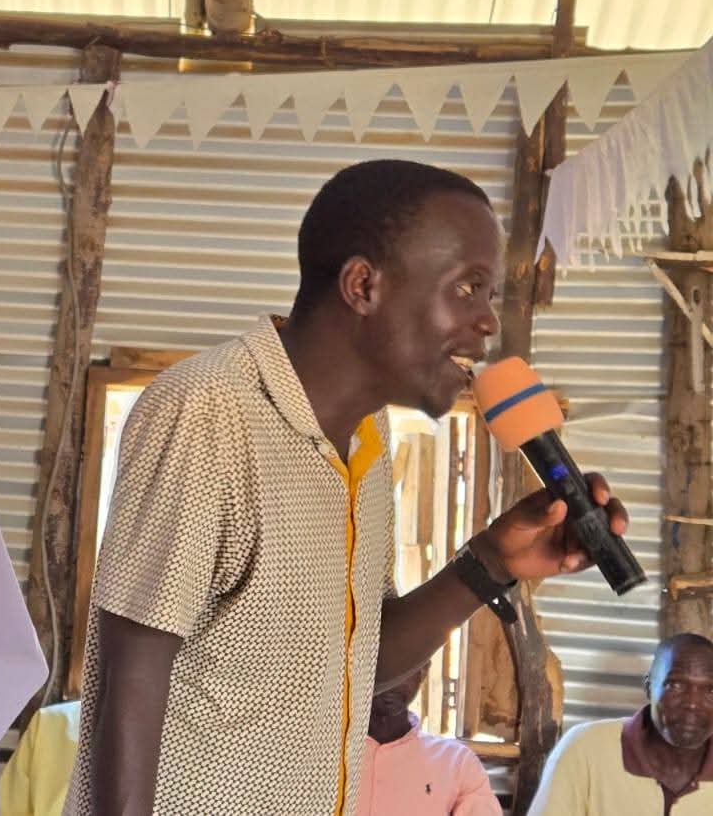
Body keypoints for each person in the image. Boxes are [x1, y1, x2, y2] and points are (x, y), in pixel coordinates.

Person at [65, 159, 631, 816]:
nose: (488, 324)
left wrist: (494, 561)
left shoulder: (368, 439)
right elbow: (127, 685)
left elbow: (364, 664)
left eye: (491, 295)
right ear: (363, 285)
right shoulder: (209, 411)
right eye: (469, 288)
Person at [529, 633, 713, 814]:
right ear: (649, 688)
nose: (692, 704)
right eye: (675, 685)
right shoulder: (584, 749)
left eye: (710, 690)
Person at [356, 667, 500, 815]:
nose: (392, 681)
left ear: (423, 672)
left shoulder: (458, 762)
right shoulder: (333, 756)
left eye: (405, 666)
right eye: (379, 665)